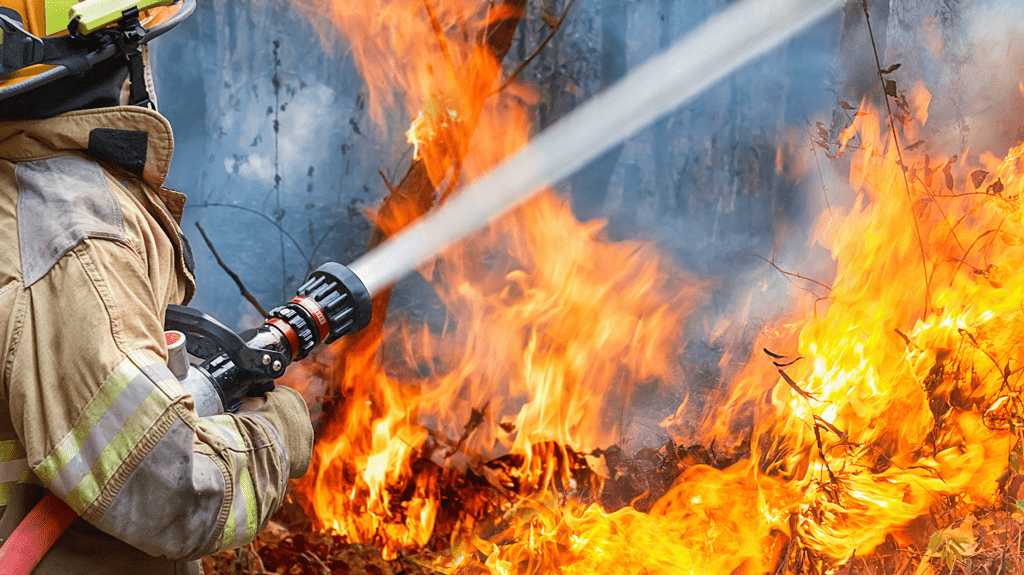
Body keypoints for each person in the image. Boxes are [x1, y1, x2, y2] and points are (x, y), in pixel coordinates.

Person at [0, 1, 315, 573]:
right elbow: (168, 491)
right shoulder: (77, 238)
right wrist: (277, 432)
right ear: (102, 54)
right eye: (138, 41)